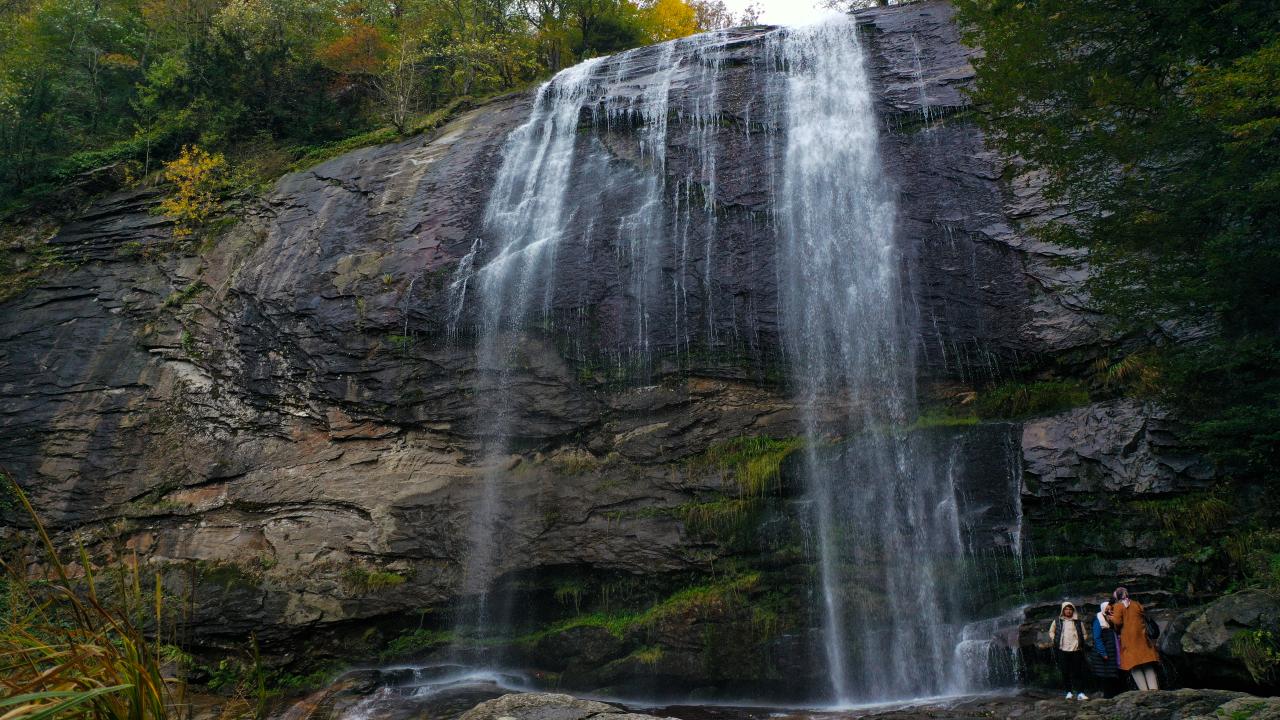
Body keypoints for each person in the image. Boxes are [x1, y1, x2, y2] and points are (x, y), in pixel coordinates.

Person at [1110, 587, 1161, 690]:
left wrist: (1110, 617)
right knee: (1147, 665)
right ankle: (1154, 690)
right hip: (1142, 639)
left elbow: (1118, 622)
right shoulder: (1136, 604)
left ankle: (1144, 691)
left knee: (1134, 667)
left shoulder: (1118, 606)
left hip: (1129, 642)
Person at [1048, 601, 1089, 700]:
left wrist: (1080, 642)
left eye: (1070, 609)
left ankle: (1080, 693)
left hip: (1076, 650)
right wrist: (1054, 639)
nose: (1068, 611)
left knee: (1077, 672)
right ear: (1063, 610)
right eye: (1066, 609)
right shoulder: (1057, 621)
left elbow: (1084, 634)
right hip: (1062, 650)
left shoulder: (1078, 622)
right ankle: (1069, 692)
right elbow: (1051, 631)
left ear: (1073, 610)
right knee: (1065, 672)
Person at [1087, 601, 1126, 697]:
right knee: (1105, 675)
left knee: (1112, 674)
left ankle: (1113, 695)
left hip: (1112, 651)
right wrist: (1103, 652)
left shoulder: (1112, 619)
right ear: (1103, 609)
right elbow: (1097, 637)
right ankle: (1107, 697)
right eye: (1107, 609)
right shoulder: (1098, 619)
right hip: (1103, 653)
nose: (1109, 610)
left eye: (1110, 608)